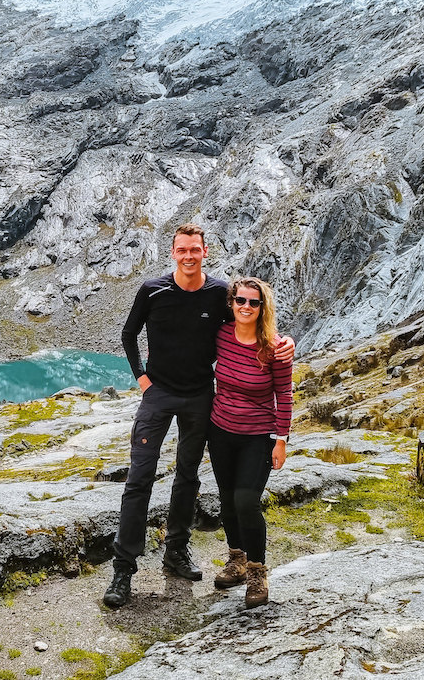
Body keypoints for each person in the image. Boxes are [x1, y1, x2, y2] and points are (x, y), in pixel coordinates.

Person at [103, 224, 292, 608]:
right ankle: (124, 568)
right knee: (139, 479)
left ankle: (176, 551)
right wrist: (142, 380)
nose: (189, 255)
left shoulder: (220, 293)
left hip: (200, 399)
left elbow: (249, 318)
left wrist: (284, 342)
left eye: (195, 249)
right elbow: (128, 334)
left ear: (206, 251)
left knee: (187, 477)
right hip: (157, 396)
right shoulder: (152, 290)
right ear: (173, 252)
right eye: (182, 249)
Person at [207, 277, 291, 607]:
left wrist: (281, 440)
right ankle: (237, 560)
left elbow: (284, 395)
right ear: (232, 303)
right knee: (227, 500)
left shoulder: (275, 347)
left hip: (258, 435)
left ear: (262, 307)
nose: (246, 307)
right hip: (220, 430)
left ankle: (257, 571)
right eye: (240, 301)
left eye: (253, 303)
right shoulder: (221, 335)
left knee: (246, 501)